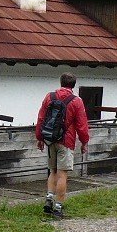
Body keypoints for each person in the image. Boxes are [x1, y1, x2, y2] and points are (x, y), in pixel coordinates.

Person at [35, 73, 91, 219]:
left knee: (52, 171)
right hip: (66, 141)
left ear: (60, 82)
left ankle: (48, 200)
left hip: (50, 139)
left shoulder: (49, 97)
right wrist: (84, 142)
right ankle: (58, 207)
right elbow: (82, 125)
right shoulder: (77, 101)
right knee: (62, 174)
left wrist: (40, 138)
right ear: (73, 85)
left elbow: (41, 118)